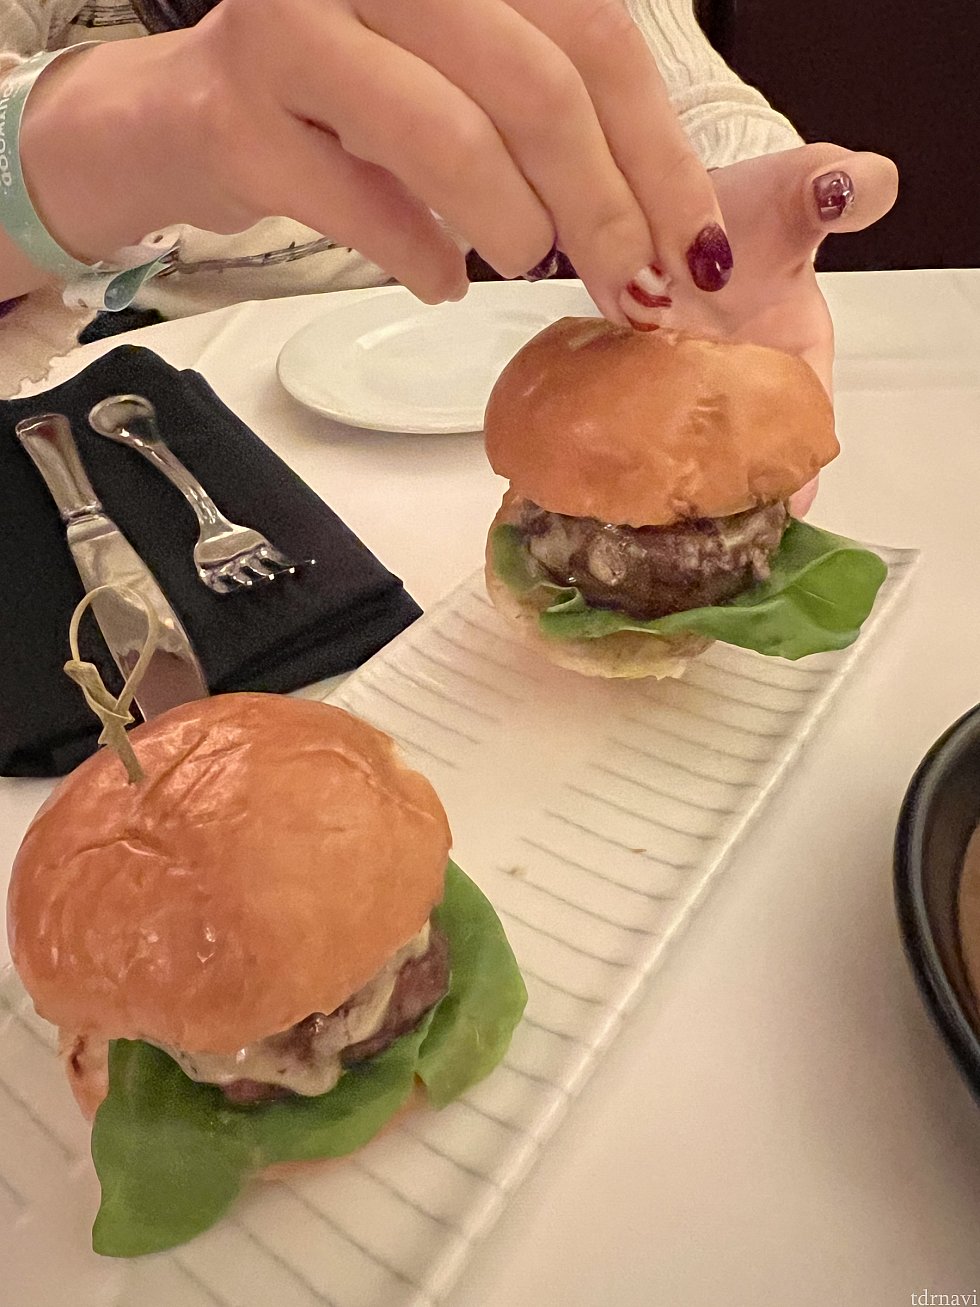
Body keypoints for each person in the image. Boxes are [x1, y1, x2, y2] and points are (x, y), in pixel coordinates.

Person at [0, 0, 897, 401]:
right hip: (109, 392)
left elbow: (658, 74)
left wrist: (722, 206)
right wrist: (128, 129)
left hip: (452, 387)